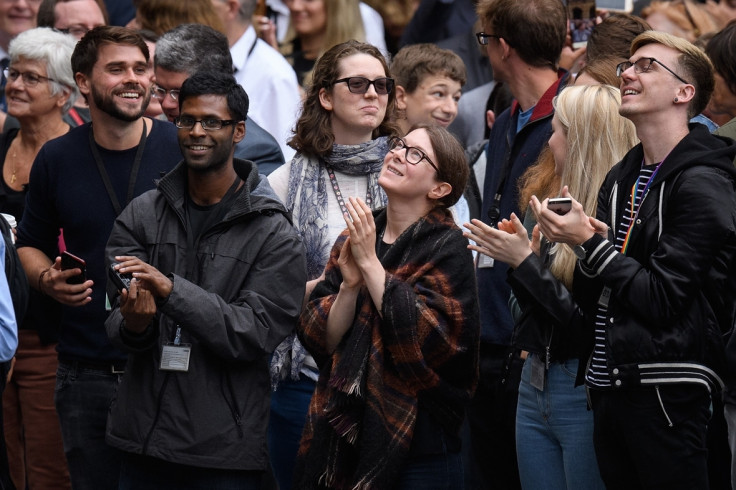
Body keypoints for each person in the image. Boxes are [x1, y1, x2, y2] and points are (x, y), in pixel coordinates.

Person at [531, 31, 736, 489]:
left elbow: (664, 297)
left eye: (647, 66)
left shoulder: (704, 180)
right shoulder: (623, 175)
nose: (627, 73)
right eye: (629, 64)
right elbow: (595, 298)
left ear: (685, 93)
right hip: (612, 388)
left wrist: (593, 245)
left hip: (670, 392)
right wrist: (582, 247)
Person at [103, 69, 305, 490]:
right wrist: (136, 324)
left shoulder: (273, 230)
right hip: (142, 438)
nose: (197, 132)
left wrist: (172, 291)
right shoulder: (142, 214)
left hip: (222, 450)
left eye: (212, 122)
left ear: (239, 131)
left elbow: (252, 334)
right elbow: (115, 321)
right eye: (187, 120)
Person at [15, 26, 181, 490]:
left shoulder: (181, 149)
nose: (133, 79)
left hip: (169, 366)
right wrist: (46, 278)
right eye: (117, 69)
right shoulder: (57, 157)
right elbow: (29, 243)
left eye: (140, 68)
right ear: (83, 82)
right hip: (85, 369)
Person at [465, 83, 637, 490]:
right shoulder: (546, 200)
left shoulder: (618, 215)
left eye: (557, 131)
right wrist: (523, 264)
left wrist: (525, 263)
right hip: (533, 378)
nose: (549, 141)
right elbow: (520, 312)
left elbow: (587, 330)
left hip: (583, 388)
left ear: (582, 141)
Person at [294, 124, 478, 489]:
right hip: (348, 432)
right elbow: (320, 338)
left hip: (422, 439)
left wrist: (371, 265)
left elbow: (425, 343)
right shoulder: (361, 233)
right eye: (398, 145)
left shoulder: (449, 247)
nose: (396, 154)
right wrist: (349, 286)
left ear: (439, 189)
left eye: (415, 154)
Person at [266, 39, 396, 490]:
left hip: (388, 382)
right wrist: (327, 285)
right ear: (325, 95)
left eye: (382, 85)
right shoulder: (284, 182)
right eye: (357, 83)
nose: (372, 94)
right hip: (306, 377)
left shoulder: (413, 172)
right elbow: (261, 293)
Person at [470, 0, 569, 487]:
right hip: (487, 334)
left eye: (484, 38)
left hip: (538, 344)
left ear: (502, 46)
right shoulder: (505, 117)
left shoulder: (572, 116)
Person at [0, 26, 77, 490]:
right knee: (8, 465)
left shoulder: (74, 156)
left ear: (62, 95)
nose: (14, 84)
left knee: (49, 468)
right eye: (12, 72)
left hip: (49, 339)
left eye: (30, 77)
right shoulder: (2, 140)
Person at [153, 23, 285, 174]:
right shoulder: (155, 132)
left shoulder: (257, 153)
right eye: (160, 90)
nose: (166, 103)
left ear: (218, 87)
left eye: (178, 93)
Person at [212, 0, 301, 161]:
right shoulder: (206, 59)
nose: (193, 7)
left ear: (231, 7)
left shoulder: (274, 75)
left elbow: (287, 159)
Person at [35, 0, 108, 129]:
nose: (93, 38)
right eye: (78, 30)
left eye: (100, 29)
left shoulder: (122, 95)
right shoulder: (35, 105)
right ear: (47, 36)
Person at [390, 43, 466, 136]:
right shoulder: (373, 149)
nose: (451, 109)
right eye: (439, 94)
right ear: (400, 97)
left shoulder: (449, 150)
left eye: (456, 98)